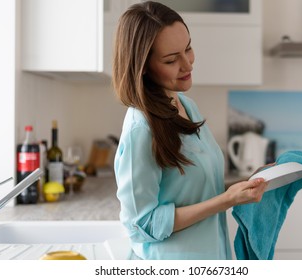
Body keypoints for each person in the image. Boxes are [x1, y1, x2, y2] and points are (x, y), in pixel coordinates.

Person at [112, 1, 267, 260]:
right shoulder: (141, 128)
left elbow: (196, 188)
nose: (187, 64)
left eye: (188, 48)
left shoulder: (186, 105)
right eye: (172, 59)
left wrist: (244, 186)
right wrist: (226, 201)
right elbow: (142, 224)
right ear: (144, 67)